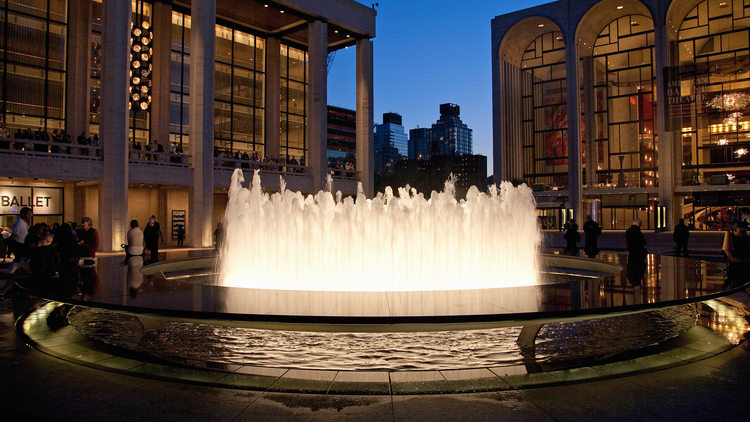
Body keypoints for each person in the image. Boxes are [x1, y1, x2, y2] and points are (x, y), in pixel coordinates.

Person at [625, 218, 647, 285]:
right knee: (637, 265)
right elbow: (639, 241)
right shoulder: (636, 231)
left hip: (631, 250)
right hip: (637, 251)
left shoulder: (628, 231)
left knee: (631, 263)